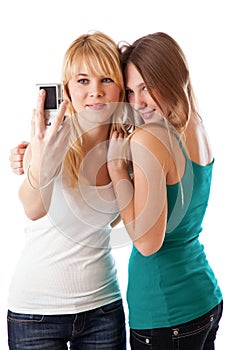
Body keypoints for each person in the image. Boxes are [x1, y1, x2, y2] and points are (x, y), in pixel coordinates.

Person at [7, 31, 128, 350]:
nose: (96, 92)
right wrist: (41, 162)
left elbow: (114, 220)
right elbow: (33, 208)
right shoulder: (49, 138)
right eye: (83, 81)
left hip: (103, 308)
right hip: (36, 315)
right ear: (67, 88)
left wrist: (120, 170)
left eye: (106, 79)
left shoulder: (127, 146)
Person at [107, 32, 223, 349]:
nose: (138, 102)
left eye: (147, 87)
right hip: (204, 299)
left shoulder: (150, 139)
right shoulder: (195, 124)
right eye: (130, 91)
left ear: (173, 78)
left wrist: (118, 170)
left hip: (165, 313)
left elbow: (147, 243)